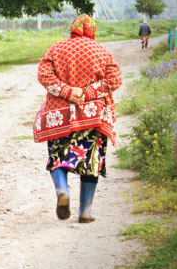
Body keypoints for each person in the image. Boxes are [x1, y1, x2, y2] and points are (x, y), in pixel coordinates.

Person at [33, 14, 122, 223]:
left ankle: (62, 191)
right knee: (91, 162)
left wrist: (66, 91)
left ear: (72, 29)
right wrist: (89, 92)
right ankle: (85, 212)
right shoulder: (102, 51)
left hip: (60, 116)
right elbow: (115, 79)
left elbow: (44, 75)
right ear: (93, 30)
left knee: (58, 157)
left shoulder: (56, 48)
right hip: (93, 117)